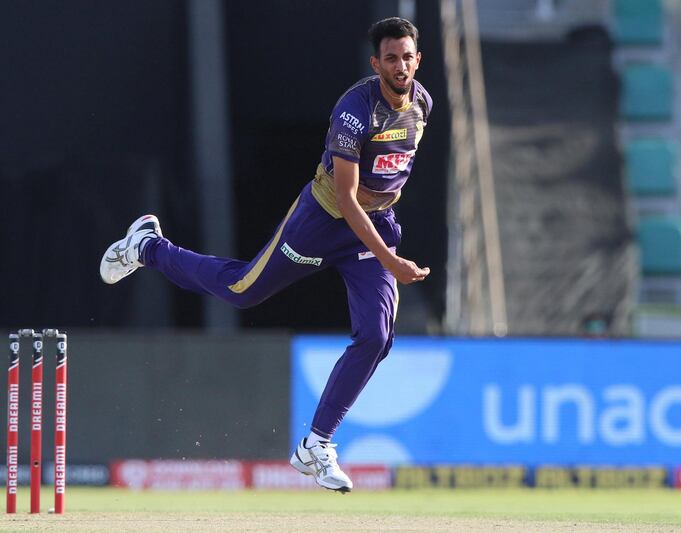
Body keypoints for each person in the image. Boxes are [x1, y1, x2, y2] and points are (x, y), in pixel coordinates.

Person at [99, 17, 432, 493]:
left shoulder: (421, 103)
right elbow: (348, 197)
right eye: (391, 58)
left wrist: (384, 243)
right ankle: (148, 246)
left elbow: (390, 178)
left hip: (373, 228)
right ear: (376, 63)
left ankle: (315, 445)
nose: (401, 66)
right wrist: (391, 259)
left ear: (419, 60)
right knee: (242, 291)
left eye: (408, 57)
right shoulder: (354, 111)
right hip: (324, 220)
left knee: (377, 336)